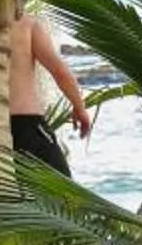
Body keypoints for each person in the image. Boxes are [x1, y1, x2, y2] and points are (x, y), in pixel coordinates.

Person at [8, 12, 93, 176]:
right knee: (62, 197)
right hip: (26, 126)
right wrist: (79, 108)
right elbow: (60, 72)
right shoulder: (26, 25)